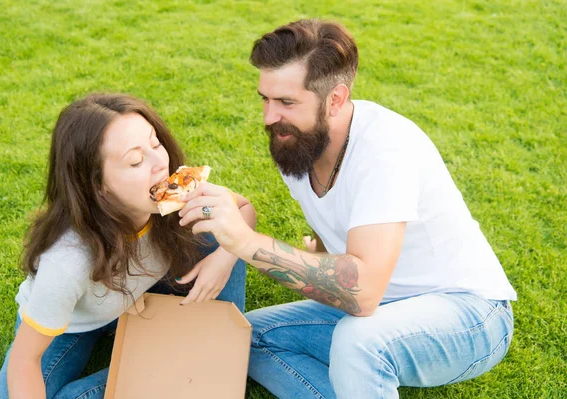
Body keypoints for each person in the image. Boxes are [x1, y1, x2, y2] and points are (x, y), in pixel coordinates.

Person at [179, 19, 517, 399]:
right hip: (382, 309)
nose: (269, 117)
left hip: (469, 316)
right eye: (265, 99)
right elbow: (337, 221)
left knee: (359, 341)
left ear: (336, 99)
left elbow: (363, 292)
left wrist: (242, 242)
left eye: (287, 102)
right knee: (244, 337)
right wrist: (323, 256)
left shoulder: (386, 150)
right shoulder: (296, 140)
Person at [0, 93, 257, 399]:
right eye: (135, 160)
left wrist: (223, 259)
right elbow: (26, 360)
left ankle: (210, 346)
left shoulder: (177, 193)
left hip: (137, 290)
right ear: (98, 185)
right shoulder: (68, 263)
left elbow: (244, 210)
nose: (160, 163)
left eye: (155, 143)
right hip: (73, 323)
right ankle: (169, 368)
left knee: (219, 225)